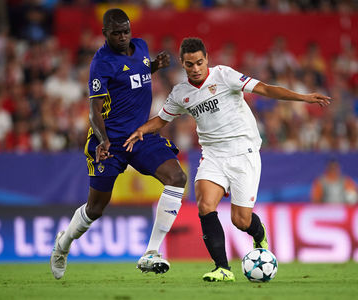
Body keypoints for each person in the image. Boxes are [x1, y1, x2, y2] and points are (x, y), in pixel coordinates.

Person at [124, 37, 331, 282]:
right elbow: (161, 120)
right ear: (182, 64)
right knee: (204, 205)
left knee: (240, 220)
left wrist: (303, 97)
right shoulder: (181, 93)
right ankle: (222, 268)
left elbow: (264, 88)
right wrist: (141, 130)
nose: (196, 68)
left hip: (243, 151)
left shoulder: (224, 76)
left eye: (199, 62)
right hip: (212, 154)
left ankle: (259, 234)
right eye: (190, 64)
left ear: (207, 59)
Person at [50, 8, 186, 280]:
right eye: (116, 33)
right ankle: (62, 246)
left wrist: (154, 67)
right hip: (110, 140)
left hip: (141, 135)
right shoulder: (101, 63)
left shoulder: (141, 47)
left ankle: (151, 252)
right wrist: (103, 141)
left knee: (177, 177)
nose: (123, 37)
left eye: (126, 31)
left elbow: (135, 74)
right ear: (105, 33)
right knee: (95, 209)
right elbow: (94, 110)